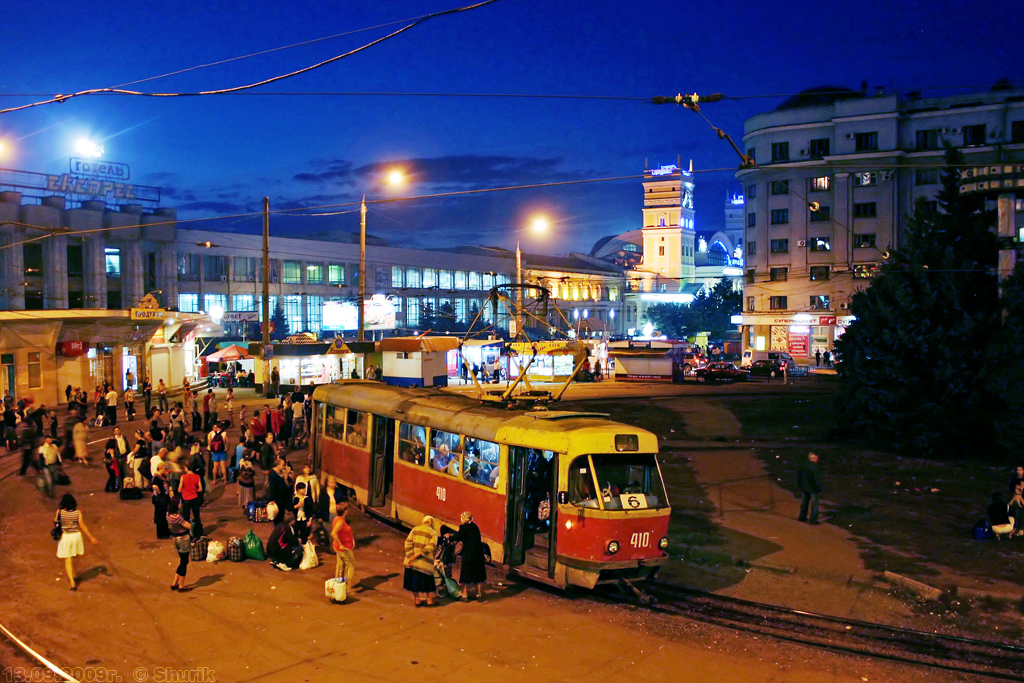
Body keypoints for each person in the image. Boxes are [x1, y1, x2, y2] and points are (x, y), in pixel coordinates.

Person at [55, 494, 98, 591]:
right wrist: (91, 537)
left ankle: (72, 582)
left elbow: (55, 522)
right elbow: (82, 525)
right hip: (76, 537)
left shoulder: (59, 512)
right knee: (74, 556)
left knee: (68, 560)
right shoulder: (78, 513)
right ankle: (74, 574)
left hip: (65, 537)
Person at [403, 515, 438, 606]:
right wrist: (417, 555)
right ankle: (429, 600)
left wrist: (411, 556)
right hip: (425, 564)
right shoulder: (433, 533)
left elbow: (408, 542)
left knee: (413, 582)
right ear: (432, 523)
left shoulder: (415, 529)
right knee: (428, 583)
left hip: (412, 563)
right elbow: (430, 547)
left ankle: (417, 600)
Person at [451, 512, 487, 600]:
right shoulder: (475, 526)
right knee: (478, 573)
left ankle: (465, 595)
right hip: (478, 553)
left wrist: (450, 537)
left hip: (469, 554)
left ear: (464, 519)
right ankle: (479, 594)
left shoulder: (463, 527)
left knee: (466, 573)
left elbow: (458, 536)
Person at [166, 499, 193, 591]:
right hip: (183, 539)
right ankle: (181, 585)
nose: (181, 504)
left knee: (182, 560)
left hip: (176, 539)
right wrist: (192, 524)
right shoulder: (177, 517)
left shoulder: (168, 515)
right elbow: (188, 525)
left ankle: (174, 583)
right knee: (184, 562)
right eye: (179, 503)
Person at [331, 502, 356, 593]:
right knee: (352, 566)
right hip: (344, 548)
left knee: (340, 567)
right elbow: (333, 533)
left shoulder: (337, 518)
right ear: (345, 511)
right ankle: (347, 588)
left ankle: (338, 587)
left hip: (339, 547)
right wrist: (341, 545)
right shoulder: (341, 521)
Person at [178, 462, 204, 538]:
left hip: (186, 499)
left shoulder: (183, 477)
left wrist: (185, 490)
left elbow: (179, 489)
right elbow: (200, 488)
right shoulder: (197, 476)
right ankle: (198, 533)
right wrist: (194, 490)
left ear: (186, 468)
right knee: (196, 516)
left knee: (186, 517)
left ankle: (187, 533)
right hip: (195, 498)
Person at [797, 452, 822, 524]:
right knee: (814, 505)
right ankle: (813, 520)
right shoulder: (815, 467)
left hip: (805, 487)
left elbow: (799, 476)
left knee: (804, 503)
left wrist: (800, 485)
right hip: (813, 488)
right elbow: (816, 479)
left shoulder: (803, 466)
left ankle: (802, 517)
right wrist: (819, 488)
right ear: (814, 458)